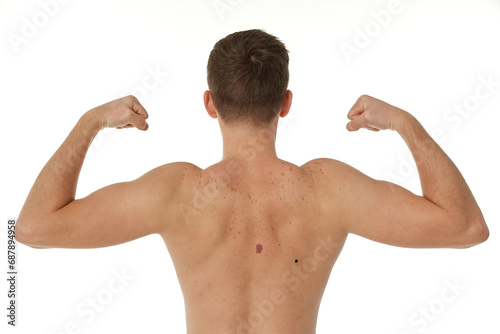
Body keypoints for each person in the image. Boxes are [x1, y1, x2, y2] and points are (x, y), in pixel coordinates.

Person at [15, 29, 488, 334]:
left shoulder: (177, 193)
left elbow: (33, 228)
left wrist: (90, 122)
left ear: (209, 103)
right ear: (285, 102)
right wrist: (405, 123)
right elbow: (465, 226)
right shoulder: (327, 190)